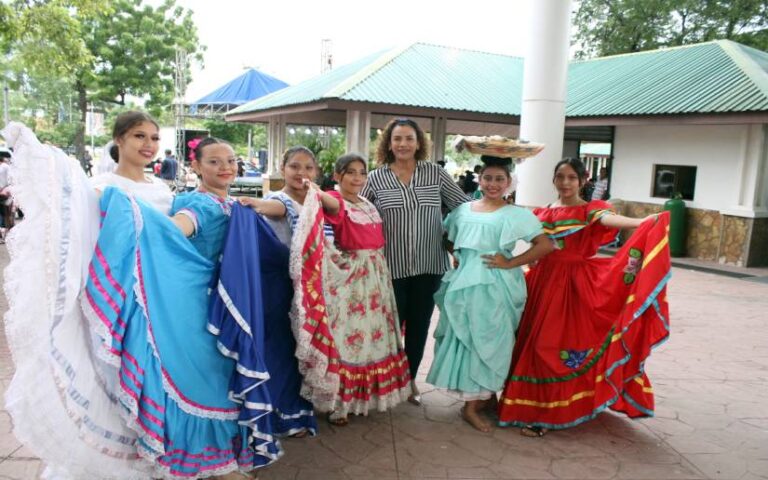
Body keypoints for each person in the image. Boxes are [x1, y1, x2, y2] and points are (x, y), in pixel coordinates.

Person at [498, 158, 671, 437]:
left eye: (571, 178)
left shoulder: (590, 210)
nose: (565, 183)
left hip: (572, 286)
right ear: (553, 180)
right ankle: (525, 405)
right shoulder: (542, 212)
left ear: (582, 181)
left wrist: (641, 222)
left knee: (551, 346)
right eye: (560, 177)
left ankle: (547, 413)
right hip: (540, 283)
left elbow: (608, 220)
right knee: (527, 342)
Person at [426, 155, 553, 433]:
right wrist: (460, 255)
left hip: (497, 286)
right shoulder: (462, 210)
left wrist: (510, 262)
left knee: (493, 341)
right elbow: (446, 237)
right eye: (488, 178)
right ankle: (471, 406)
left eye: (499, 179)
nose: (493, 184)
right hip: (464, 285)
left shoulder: (516, 214)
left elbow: (544, 245)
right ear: (479, 179)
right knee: (466, 338)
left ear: (509, 182)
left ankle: (486, 396)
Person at [361, 118, 468, 405]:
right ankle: (386, 381)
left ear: (419, 143)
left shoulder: (435, 174)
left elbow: (463, 207)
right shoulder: (376, 178)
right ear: (389, 143)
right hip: (389, 268)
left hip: (429, 265)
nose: (403, 144)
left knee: (419, 326)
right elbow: (357, 211)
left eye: (409, 138)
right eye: (397, 139)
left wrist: (458, 244)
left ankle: (409, 382)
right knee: (389, 326)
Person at [320, 153, 411, 426]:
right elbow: (326, 207)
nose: (357, 178)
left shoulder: (366, 202)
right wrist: (313, 188)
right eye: (350, 172)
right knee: (349, 335)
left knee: (371, 336)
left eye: (362, 172)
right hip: (354, 277)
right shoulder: (335, 199)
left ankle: (361, 398)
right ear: (337, 176)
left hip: (376, 275)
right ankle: (339, 403)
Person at [91, 112, 173, 213]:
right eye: (140, 136)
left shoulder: (162, 188)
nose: (149, 144)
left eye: (155, 138)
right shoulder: (101, 186)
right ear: (119, 139)